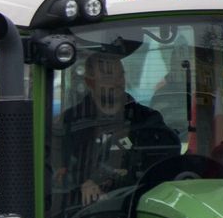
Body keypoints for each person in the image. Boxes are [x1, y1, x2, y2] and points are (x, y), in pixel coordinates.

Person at [58, 52, 178, 205]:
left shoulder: (148, 120)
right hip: (81, 210)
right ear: (89, 82)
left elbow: (164, 165)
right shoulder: (70, 122)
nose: (117, 83)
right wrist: (83, 183)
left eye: (120, 76)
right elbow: (58, 171)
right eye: (108, 77)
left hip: (136, 206)